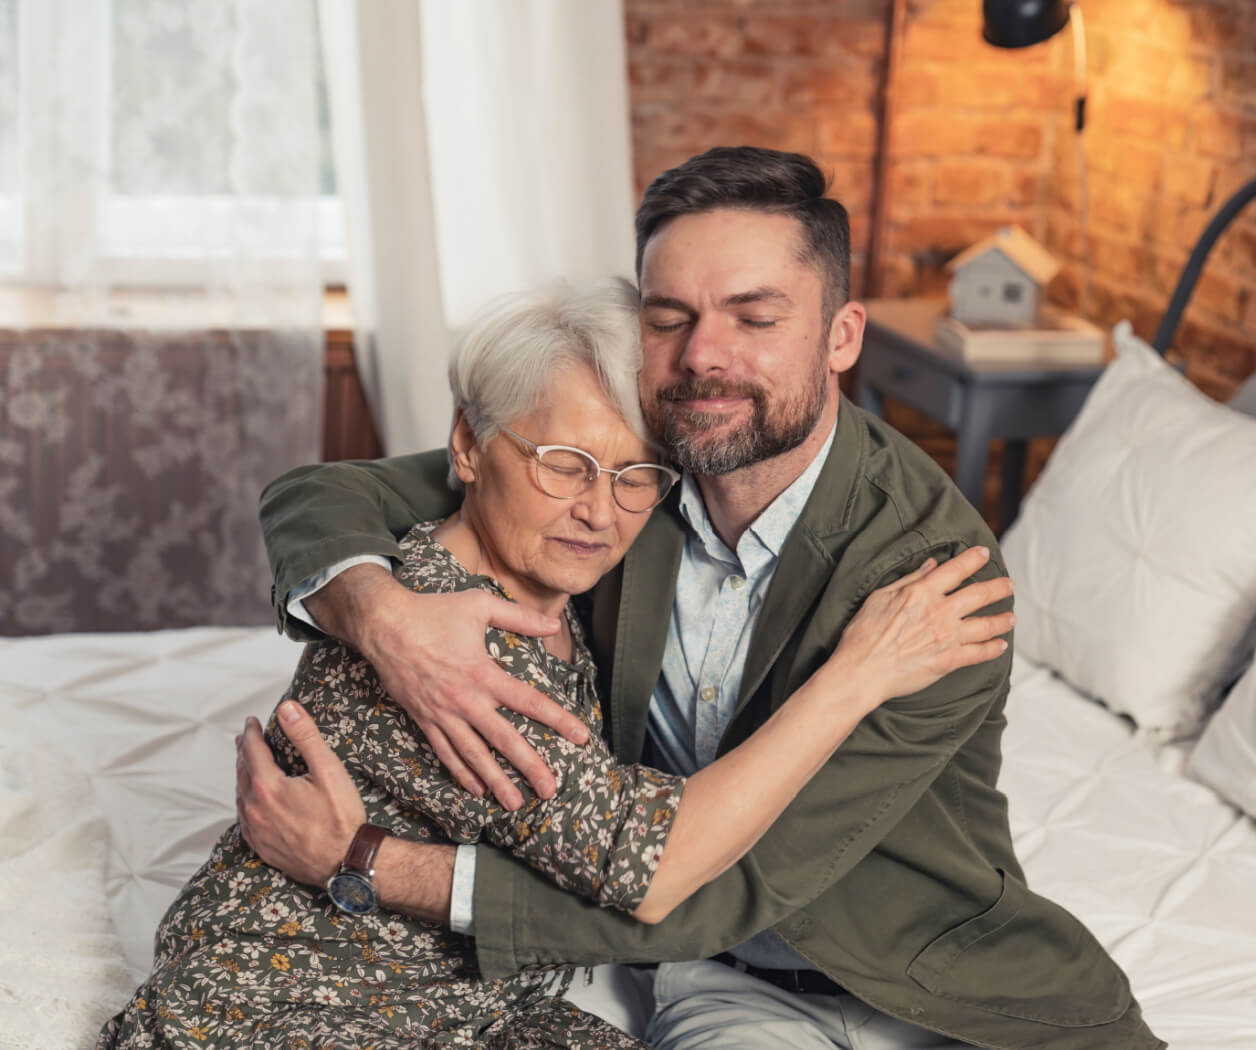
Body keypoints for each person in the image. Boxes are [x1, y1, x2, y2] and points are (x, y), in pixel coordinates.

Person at [245, 147, 1163, 1049]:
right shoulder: (628, 478)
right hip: (731, 984)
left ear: (842, 337)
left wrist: (372, 865)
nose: (703, 356)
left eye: (754, 317)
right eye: (669, 317)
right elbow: (320, 497)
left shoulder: (931, 582)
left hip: (933, 983)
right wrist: (386, 618)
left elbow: (720, 882)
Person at [97, 280, 1012, 1050]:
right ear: (466, 446)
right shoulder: (456, 647)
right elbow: (650, 864)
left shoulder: (550, 582)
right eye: (564, 464)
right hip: (300, 1010)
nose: (599, 512)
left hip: (457, 999)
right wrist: (860, 671)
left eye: (634, 475)